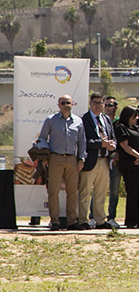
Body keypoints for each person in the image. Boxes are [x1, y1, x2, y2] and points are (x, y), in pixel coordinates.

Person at [38, 94, 86, 230]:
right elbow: (42, 139)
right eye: (63, 103)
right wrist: (45, 157)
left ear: (73, 104)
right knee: (53, 191)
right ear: (58, 105)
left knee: (72, 192)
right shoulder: (50, 120)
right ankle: (55, 222)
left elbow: (82, 141)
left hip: (72, 159)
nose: (66, 105)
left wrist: (81, 159)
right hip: (55, 158)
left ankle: (72, 221)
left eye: (68, 102)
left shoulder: (78, 121)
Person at [78, 92, 116, 230]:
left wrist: (113, 146)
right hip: (90, 161)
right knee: (85, 192)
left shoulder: (106, 119)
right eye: (95, 103)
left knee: (101, 192)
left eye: (101, 103)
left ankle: (100, 220)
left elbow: (113, 137)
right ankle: (82, 220)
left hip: (105, 160)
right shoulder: (84, 119)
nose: (98, 106)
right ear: (90, 103)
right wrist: (101, 143)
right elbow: (83, 141)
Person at [116, 106, 139, 229]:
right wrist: (138, 155)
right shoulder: (121, 128)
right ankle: (131, 220)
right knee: (133, 192)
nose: (136, 118)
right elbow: (125, 146)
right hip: (130, 165)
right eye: (134, 116)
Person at [103, 96, 122, 228]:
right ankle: (94, 216)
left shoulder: (120, 123)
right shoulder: (100, 120)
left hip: (116, 160)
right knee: (99, 188)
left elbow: (123, 140)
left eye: (111, 105)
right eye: (106, 105)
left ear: (116, 107)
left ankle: (111, 217)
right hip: (102, 158)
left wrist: (118, 153)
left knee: (114, 190)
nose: (108, 107)